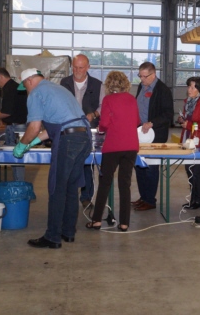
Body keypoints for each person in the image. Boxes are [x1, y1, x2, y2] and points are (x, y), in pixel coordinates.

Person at [13, 69, 91, 249]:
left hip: (68, 141)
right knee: (71, 187)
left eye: (25, 86)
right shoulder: (58, 89)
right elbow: (57, 126)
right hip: (83, 138)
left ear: (29, 80)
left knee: (57, 188)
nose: (26, 90)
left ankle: (52, 237)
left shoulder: (36, 93)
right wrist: (32, 143)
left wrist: (22, 145)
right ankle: (68, 232)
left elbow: (34, 127)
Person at [86, 71, 140, 232]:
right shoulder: (131, 99)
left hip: (113, 146)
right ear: (125, 83)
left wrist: (101, 129)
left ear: (109, 84)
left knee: (105, 183)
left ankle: (96, 220)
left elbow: (104, 123)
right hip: (131, 145)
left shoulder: (108, 99)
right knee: (125, 184)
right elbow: (137, 121)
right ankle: (124, 223)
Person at [60, 54, 104, 208]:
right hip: (68, 130)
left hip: (89, 130)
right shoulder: (64, 83)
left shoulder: (97, 85)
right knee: (68, 163)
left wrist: (94, 114)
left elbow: (102, 106)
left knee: (87, 164)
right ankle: (68, 195)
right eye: (75, 67)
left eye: (81, 67)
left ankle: (86, 196)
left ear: (88, 67)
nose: (77, 71)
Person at [132, 62, 173, 211]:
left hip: (155, 134)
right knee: (139, 165)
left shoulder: (163, 90)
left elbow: (168, 115)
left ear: (153, 74)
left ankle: (150, 200)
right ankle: (143, 197)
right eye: (140, 76)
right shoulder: (141, 86)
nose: (142, 79)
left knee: (150, 167)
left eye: (145, 76)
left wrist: (152, 123)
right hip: (140, 133)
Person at [0, 68, 27, 181]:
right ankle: (19, 182)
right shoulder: (16, 86)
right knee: (18, 156)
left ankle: (18, 183)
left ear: (1, 77)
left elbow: (7, 113)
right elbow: (11, 109)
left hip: (15, 127)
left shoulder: (9, 89)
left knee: (16, 157)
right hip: (21, 125)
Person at [177, 77, 200, 209]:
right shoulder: (188, 103)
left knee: (196, 171)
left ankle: (198, 200)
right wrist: (182, 120)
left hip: (198, 142)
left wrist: (189, 124)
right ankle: (193, 199)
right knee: (189, 170)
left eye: (193, 87)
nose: (189, 90)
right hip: (188, 140)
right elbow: (189, 120)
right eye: (189, 86)